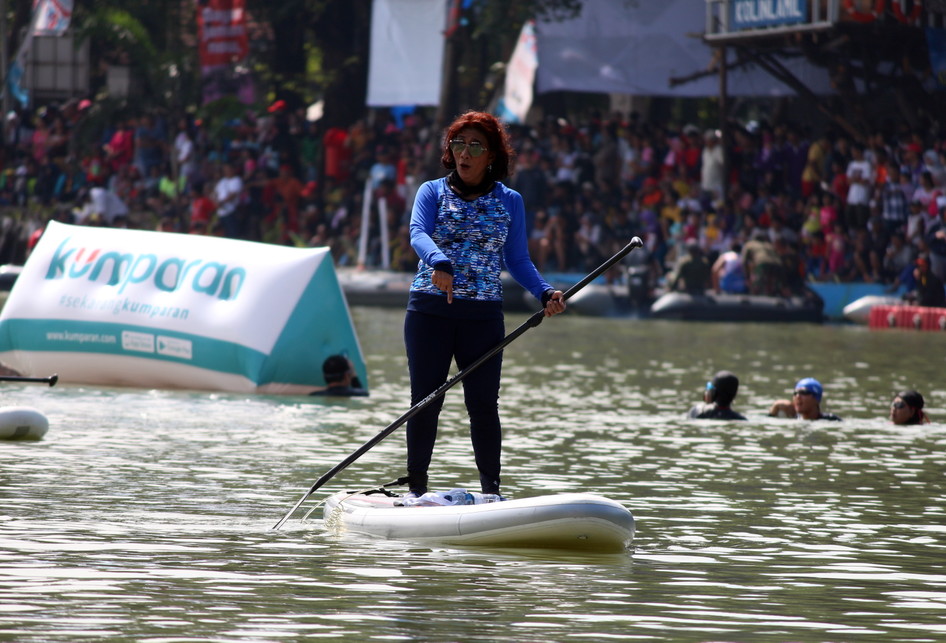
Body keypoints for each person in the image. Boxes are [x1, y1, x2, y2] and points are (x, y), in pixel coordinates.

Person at [402, 110, 566, 498]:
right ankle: (416, 489)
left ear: (491, 154)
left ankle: (491, 491)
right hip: (430, 310)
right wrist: (439, 261)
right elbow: (418, 233)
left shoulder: (510, 201)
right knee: (426, 401)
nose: (466, 152)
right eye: (459, 143)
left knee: (483, 405)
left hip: (483, 317)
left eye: (476, 145)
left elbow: (517, 259)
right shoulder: (431, 191)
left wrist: (544, 292)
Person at [769, 377, 842, 421]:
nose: (797, 396)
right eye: (795, 393)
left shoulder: (831, 420)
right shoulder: (793, 419)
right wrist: (773, 410)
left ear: (816, 398)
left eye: (803, 393)